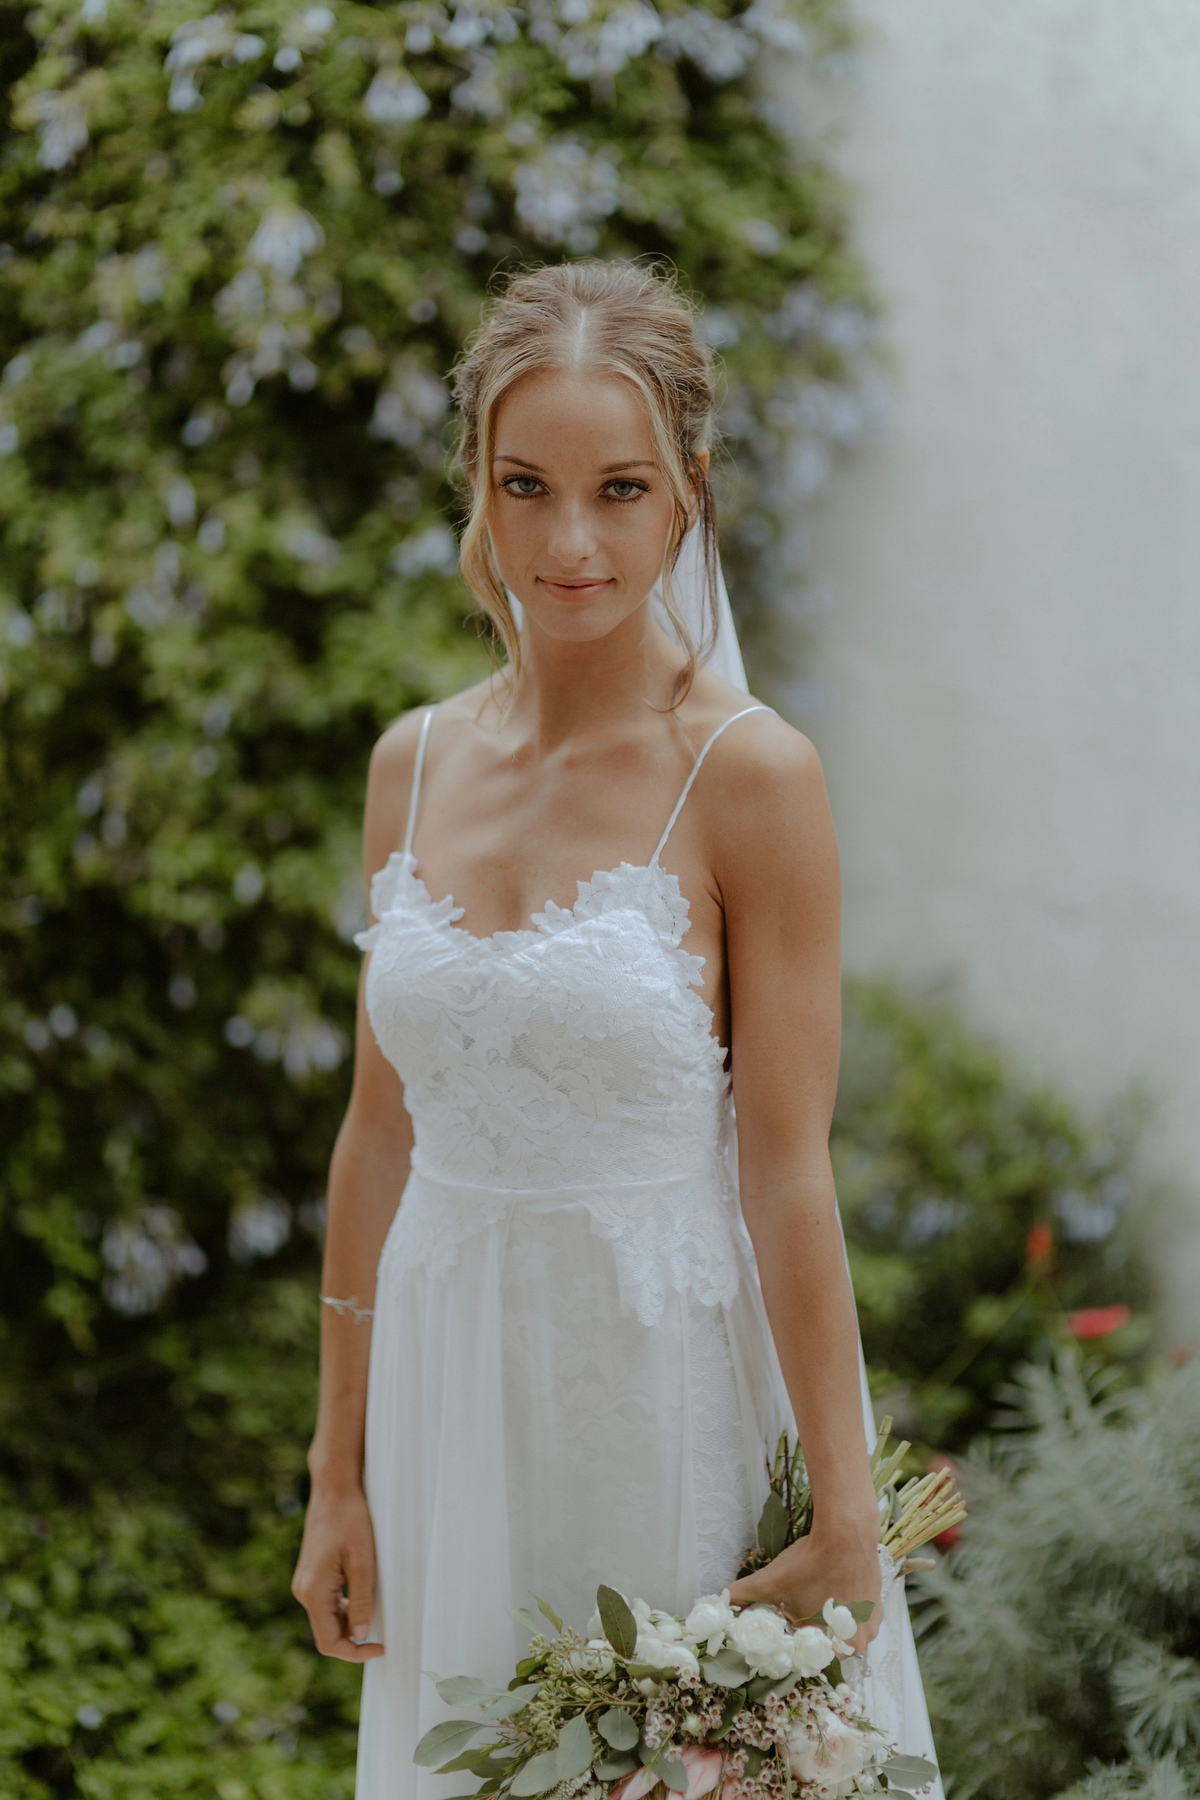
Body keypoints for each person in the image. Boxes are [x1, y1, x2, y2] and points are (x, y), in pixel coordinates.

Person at [291, 260, 941, 1799]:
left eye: (619, 489)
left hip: (666, 1396)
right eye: (526, 487)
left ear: (688, 498)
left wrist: (844, 1522)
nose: (568, 543)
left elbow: (787, 1175)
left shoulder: (754, 778)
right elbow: (378, 1134)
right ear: (477, 486)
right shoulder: (414, 762)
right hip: (450, 1408)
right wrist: (337, 1474)